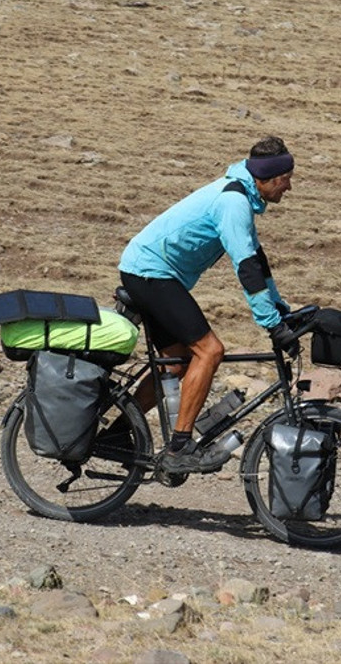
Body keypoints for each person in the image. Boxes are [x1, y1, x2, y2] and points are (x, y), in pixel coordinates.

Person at [118, 136, 299, 474]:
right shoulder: (233, 203)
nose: (289, 188)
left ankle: (115, 433)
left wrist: (281, 310)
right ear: (269, 178)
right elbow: (246, 270)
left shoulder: (240, 194)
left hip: (147, 270)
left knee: (175, 365)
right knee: (210, 351)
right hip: (150, 273)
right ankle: (180, 447)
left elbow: (257, 263)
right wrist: (271, 325)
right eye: (286, 179)